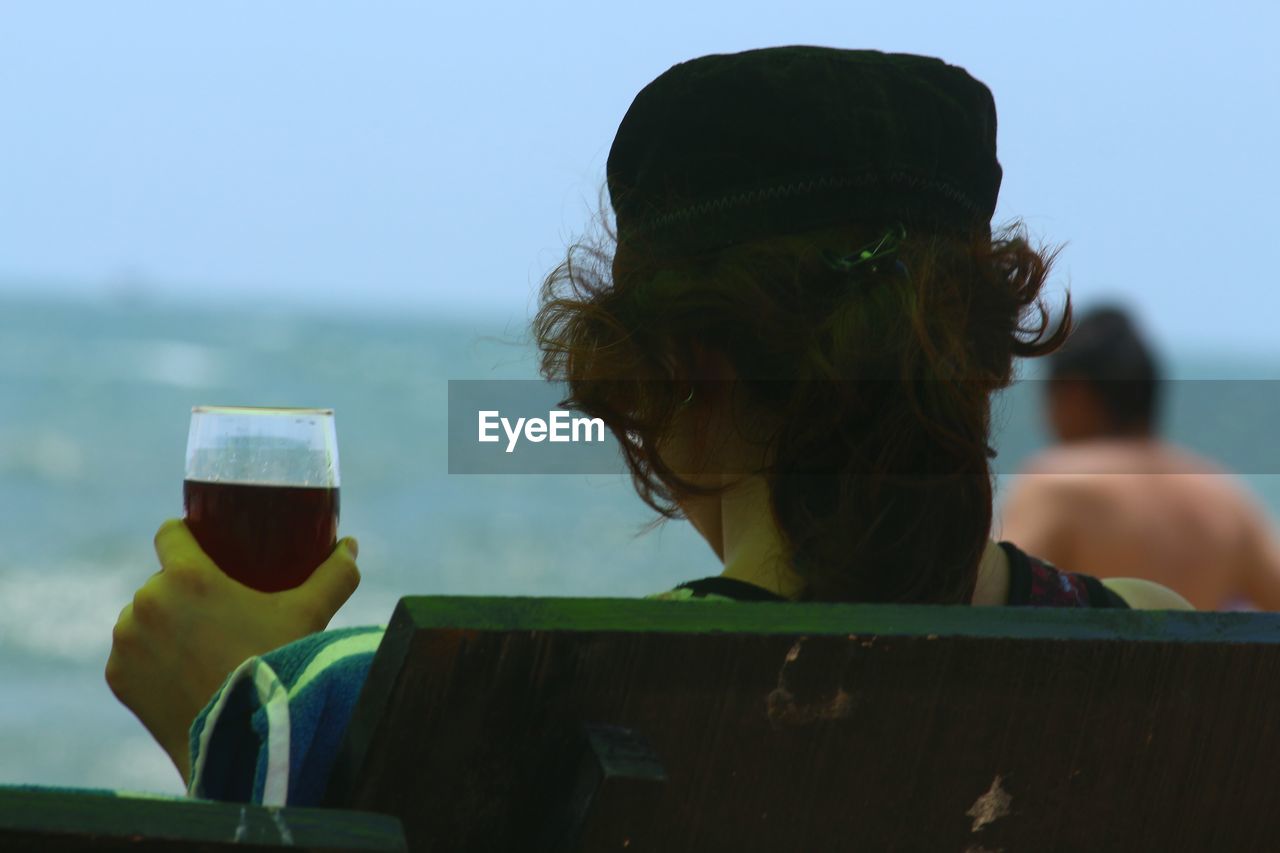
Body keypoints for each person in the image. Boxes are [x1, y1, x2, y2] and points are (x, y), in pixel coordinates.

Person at [106, 46, 1190, 807]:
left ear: (673, 375)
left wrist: (242, 716)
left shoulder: (483, 708)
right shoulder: (1161, 656)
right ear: (981, 352)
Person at [1000, 306, 1280, 610]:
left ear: (1073, 393)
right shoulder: (1227, 501)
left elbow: (993, 602)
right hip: (1192, 658)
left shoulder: (1057, 485)